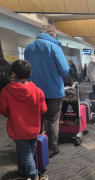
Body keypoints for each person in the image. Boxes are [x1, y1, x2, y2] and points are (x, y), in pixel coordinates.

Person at [24, 25, 69, 158]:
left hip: (35, 91)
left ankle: (36, 147)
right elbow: (65, 70)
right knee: (53, 120)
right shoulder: (54, 47)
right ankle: (52, 148)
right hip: (54, 91)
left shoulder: (28, 48)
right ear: (52, 35)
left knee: (38, 119)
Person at [0, 60, 48, 180]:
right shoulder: (37, 91)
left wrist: (11, 114)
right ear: (30, 73)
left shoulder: (6, 91)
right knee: (29, 151)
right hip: (33, 128)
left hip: (17, 129)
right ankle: (24, 172)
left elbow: (3, 110)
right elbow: (43, 109)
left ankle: (33, 176)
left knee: (26, 153)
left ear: (13, 74)